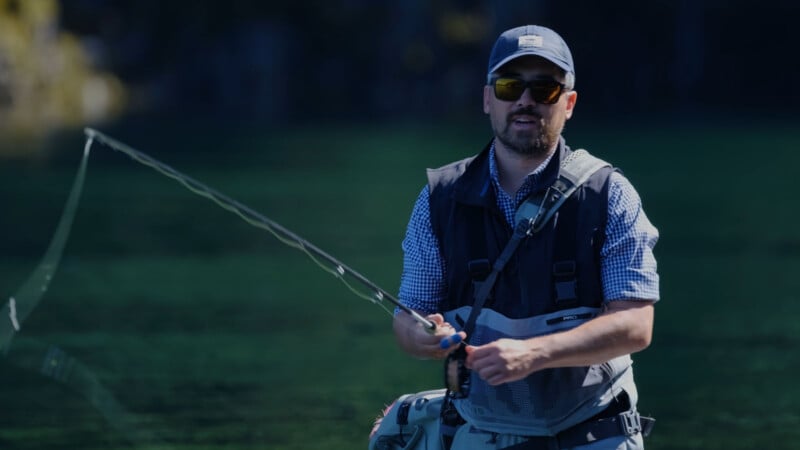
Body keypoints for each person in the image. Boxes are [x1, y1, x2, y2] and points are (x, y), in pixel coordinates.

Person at [392, 24, 660, 449]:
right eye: (509, 86)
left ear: (568, 103)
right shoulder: (437, 200)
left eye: (544, 90)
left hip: (591, 430)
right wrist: (424, 337)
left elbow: (636, 325)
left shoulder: (611, 195)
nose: (525, 101)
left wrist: (534, 353)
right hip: (480, 429)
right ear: (487, 99)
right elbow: (408, 320)